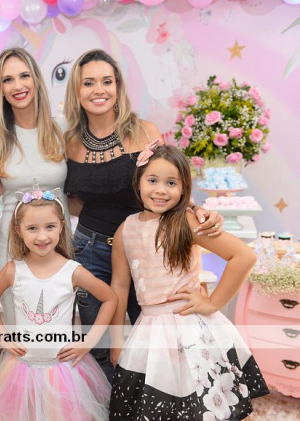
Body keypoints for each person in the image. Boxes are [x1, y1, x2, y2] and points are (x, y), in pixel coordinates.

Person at [62, 48, 223, 381]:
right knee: (100, 346)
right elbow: (74, 201)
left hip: (145, 249)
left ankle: (152, 404)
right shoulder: (69, 142)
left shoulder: (145, 131)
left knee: (151, 342)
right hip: (90, 249)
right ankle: (110, 405)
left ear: (118, 86)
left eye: (107, 81)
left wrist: (196, 208)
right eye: (88, 83)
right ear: (76, 90)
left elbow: (167, 181)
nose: (98, 90)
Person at [108, 144, 269, 420]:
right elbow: (120, 286)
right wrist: (116, 339)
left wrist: (212, 303)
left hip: (191, 329)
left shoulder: (186, 221)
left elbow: (243, 256)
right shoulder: (126, 229)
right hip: (149, 330)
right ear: (138, 182)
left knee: (200, 403)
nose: (161, 190)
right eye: (152, 180)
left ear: (184, 189)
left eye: (171, 183)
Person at [0, 186, 117, 421]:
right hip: (21, 370)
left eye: (50, 227)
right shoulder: (14, 270)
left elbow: (110, 298)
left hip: (63, 372)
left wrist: (90, 341)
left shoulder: (72, 271)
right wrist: (2, 335)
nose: (42, 236)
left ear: (62, 226)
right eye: (32, 228)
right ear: (18, 230)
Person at [0, 47, 68, 326]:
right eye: (7, 80)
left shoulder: (62, 129)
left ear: (36, 79)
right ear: (0, 89)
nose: (17, 86)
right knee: (18, 331)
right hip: (14, 248)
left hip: (57, 244)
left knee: (57, 333)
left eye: (24, 76)